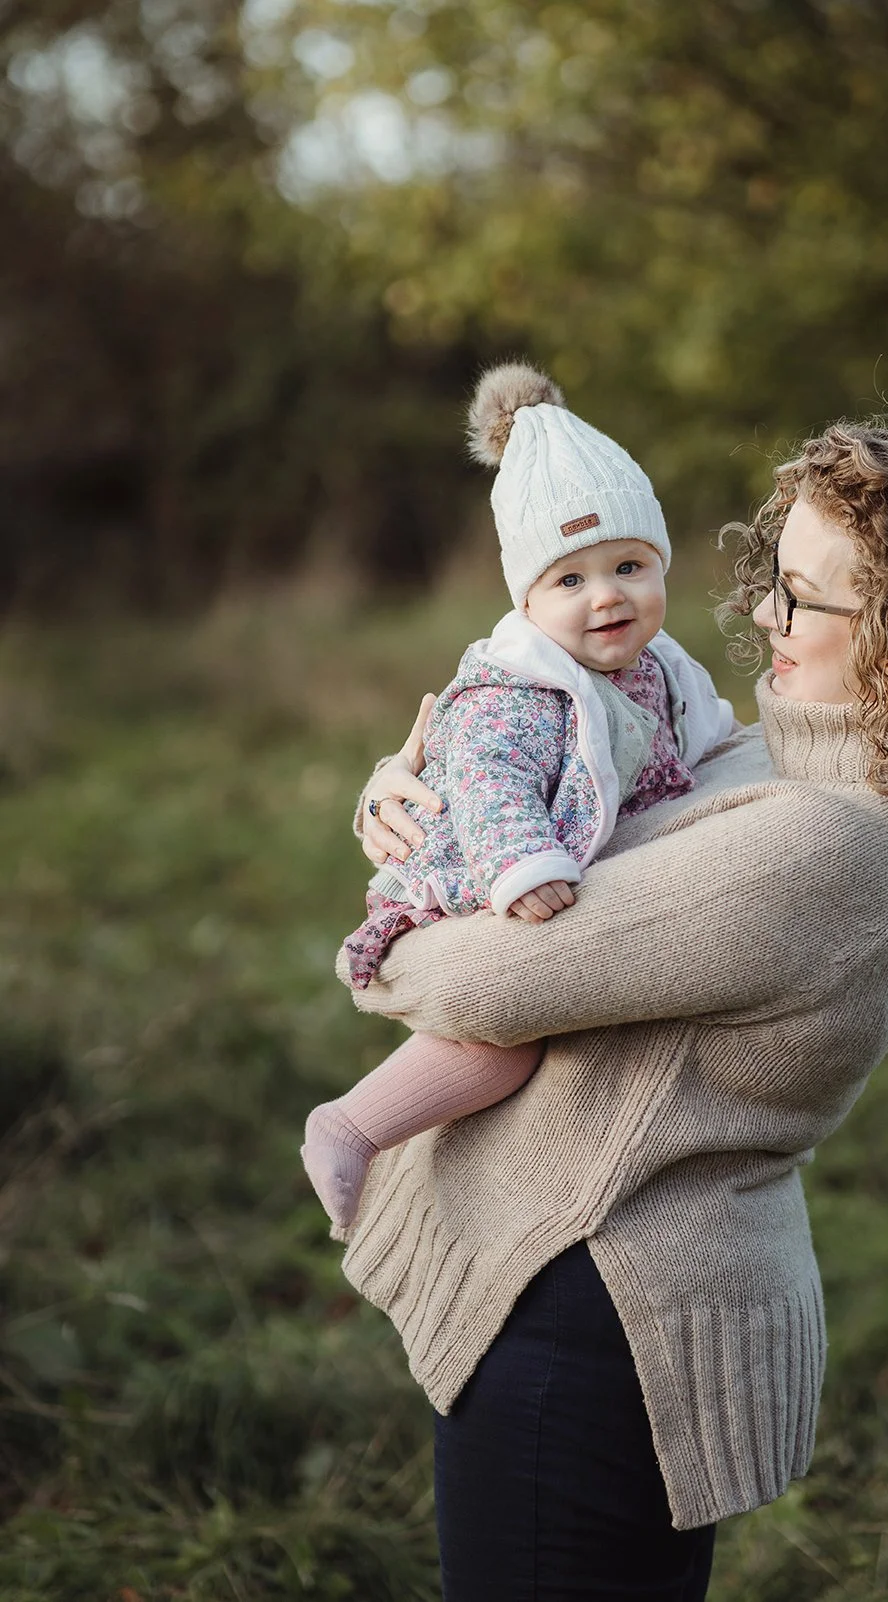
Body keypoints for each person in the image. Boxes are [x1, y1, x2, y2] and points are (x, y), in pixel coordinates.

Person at [335, 416, 888, 1601]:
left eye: (800, 597)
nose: (760, 614)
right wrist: (404, 797)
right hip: (604, 1289)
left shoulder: (821, 843)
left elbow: (475, 983)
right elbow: (565, 786)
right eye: (770, 580)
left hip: (595, 1317)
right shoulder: (786, 765)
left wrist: (408, 898)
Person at [301, 362, 733, 1234]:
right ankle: (350, 1126)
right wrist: (523, 864)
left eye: (629, 565)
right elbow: (489, 780)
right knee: (503, 1046)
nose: (606, 595)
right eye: (569, 581)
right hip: (483, 874)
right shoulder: (517, 691)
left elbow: (709, 740)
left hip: (582, 875)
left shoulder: (658, 666)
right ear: (527, 600)